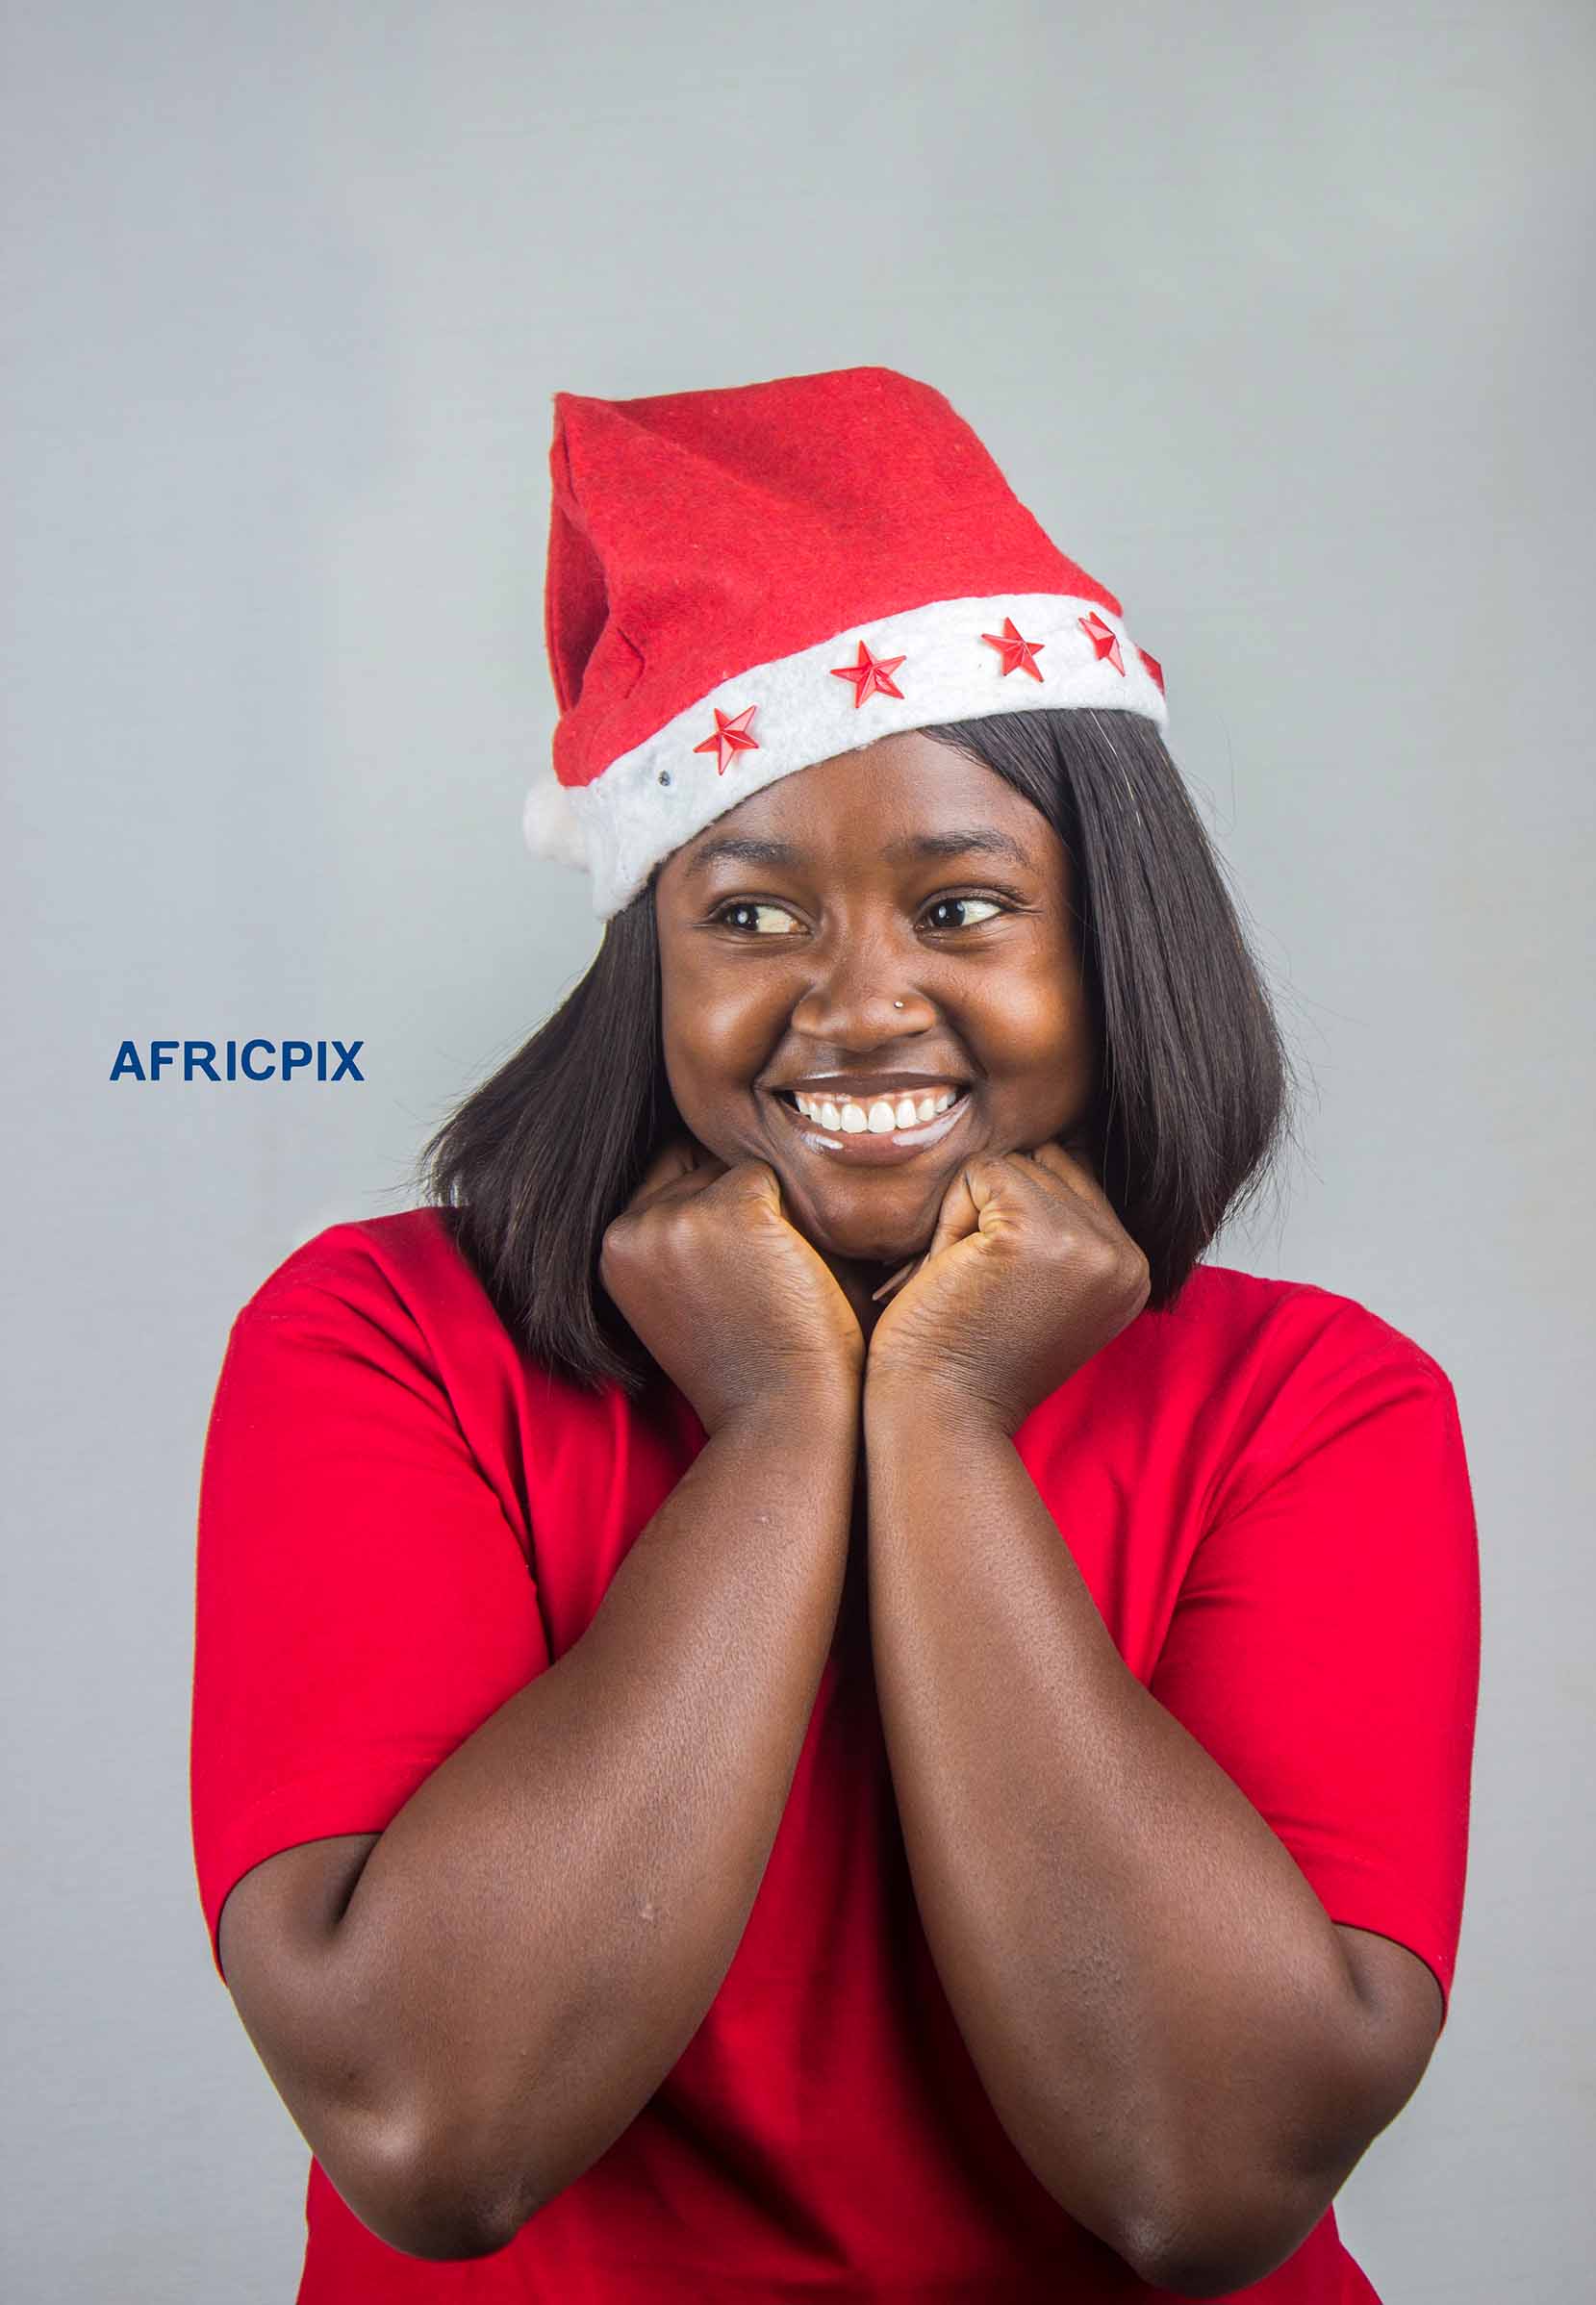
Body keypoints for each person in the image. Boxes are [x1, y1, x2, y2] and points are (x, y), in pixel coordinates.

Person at [189, 365, 1481, 2303]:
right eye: (751, 915)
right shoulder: (382, 1344)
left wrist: (943, 1420)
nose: (856, 1002)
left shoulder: (1312, 1408)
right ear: (650, 959)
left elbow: (1205, 2177)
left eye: (962, 906)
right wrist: (787, 1419)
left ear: (1109, 942)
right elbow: (432, 2129)